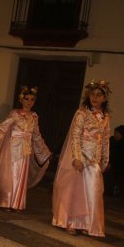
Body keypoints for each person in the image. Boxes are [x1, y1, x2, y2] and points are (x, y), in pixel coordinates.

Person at [51, 80, 111, 237]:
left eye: (99, 95)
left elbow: (105, 140)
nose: (95, 98)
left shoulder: (105, 117)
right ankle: (69, 222)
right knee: (75, 192)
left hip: (94, 160)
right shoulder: (82, 113)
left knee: (93, 191)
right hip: (81, 156)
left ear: (104, 98)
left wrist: (104, 160)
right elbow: (75, 135)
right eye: (92, 94)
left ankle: (87, 224)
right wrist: (77, 157)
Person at [0, 86, 51, 211]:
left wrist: (44, 152)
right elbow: (3, 127)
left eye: (32, 100)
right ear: (21, 100)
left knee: (21, 176)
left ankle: (16, 203)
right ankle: (6, 201)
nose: (29, 102)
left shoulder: (34, 116)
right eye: (27, 99)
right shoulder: (15, 113)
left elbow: (36, 136)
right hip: (13, 149)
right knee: (11, 175)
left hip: (25, 150)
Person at [104, 124, 124, 196]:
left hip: (118, 167)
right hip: (107, 162)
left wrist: (111, 164)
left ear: (122, 135)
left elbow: (122, 159)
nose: (115, 134)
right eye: (114, 132)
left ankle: (110, 190)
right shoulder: (111, 140)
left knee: (110, 173)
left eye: (117, 133)